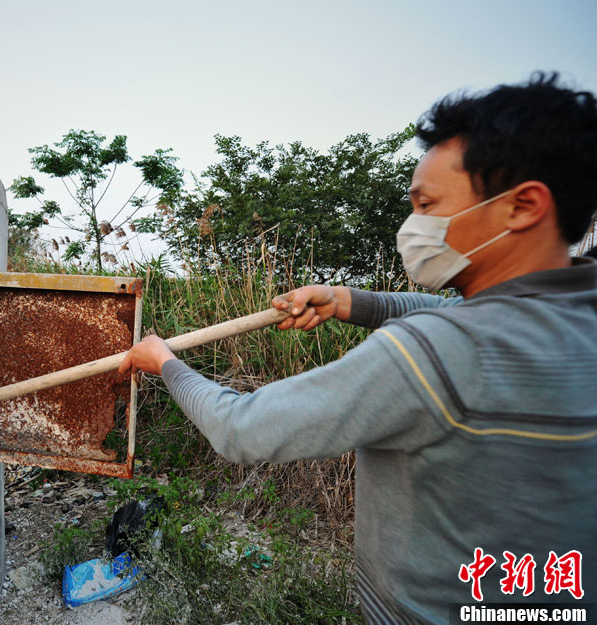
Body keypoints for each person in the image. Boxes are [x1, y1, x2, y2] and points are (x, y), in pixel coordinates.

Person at [119, 73, 597, 624]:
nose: (413, 226)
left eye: (428, 204)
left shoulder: (435, 353)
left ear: (523, 206)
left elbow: (244, 429)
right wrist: (349, 300)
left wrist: (166, 363)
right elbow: (459, 312)